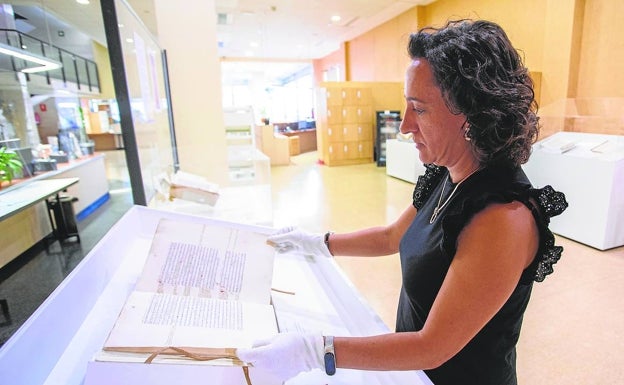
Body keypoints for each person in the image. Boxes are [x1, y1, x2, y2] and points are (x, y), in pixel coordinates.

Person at [237, 19, 568, 385]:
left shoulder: (503, 218)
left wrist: (315, 351)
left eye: (419, 109)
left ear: (471, 115)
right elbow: (390, 237)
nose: (405, 125)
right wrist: (317, 242)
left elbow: (433, 346)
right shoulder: (448, 173)